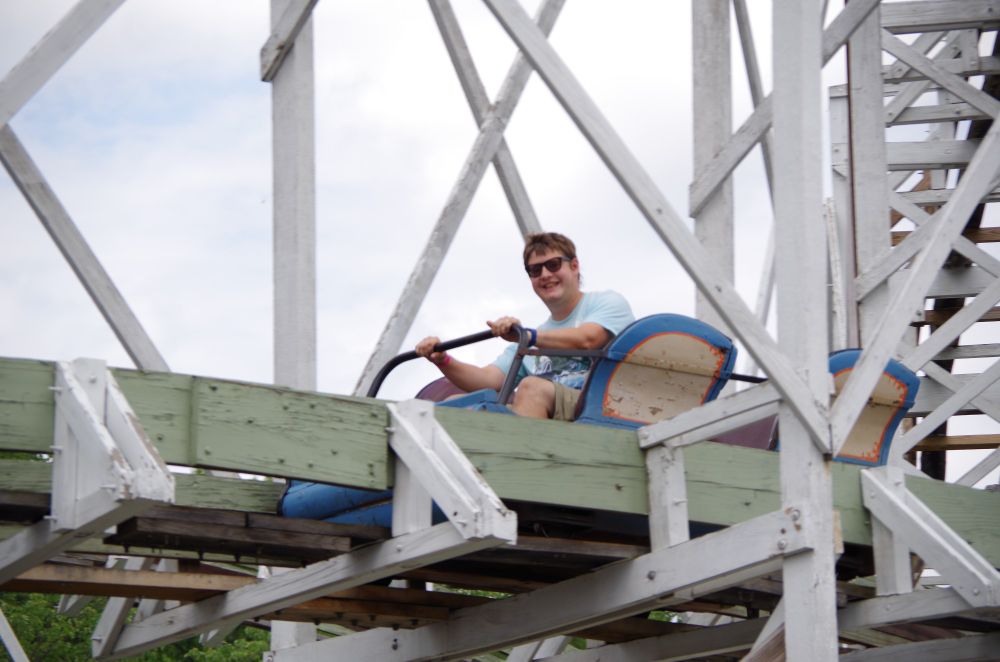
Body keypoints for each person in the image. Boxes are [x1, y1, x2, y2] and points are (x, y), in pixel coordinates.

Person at [415, 232, 634, 420]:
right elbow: (489, 379)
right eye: (535, 270)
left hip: (603, 406)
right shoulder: (531, 337)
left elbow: (588, 339)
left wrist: (528, 337)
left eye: (553, 265)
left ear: (574, 266)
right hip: (553, 413)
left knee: (531, 388)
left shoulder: (606, 303)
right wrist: (443, 359)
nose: (545, 275)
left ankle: (525, 463)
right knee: (458, 404)